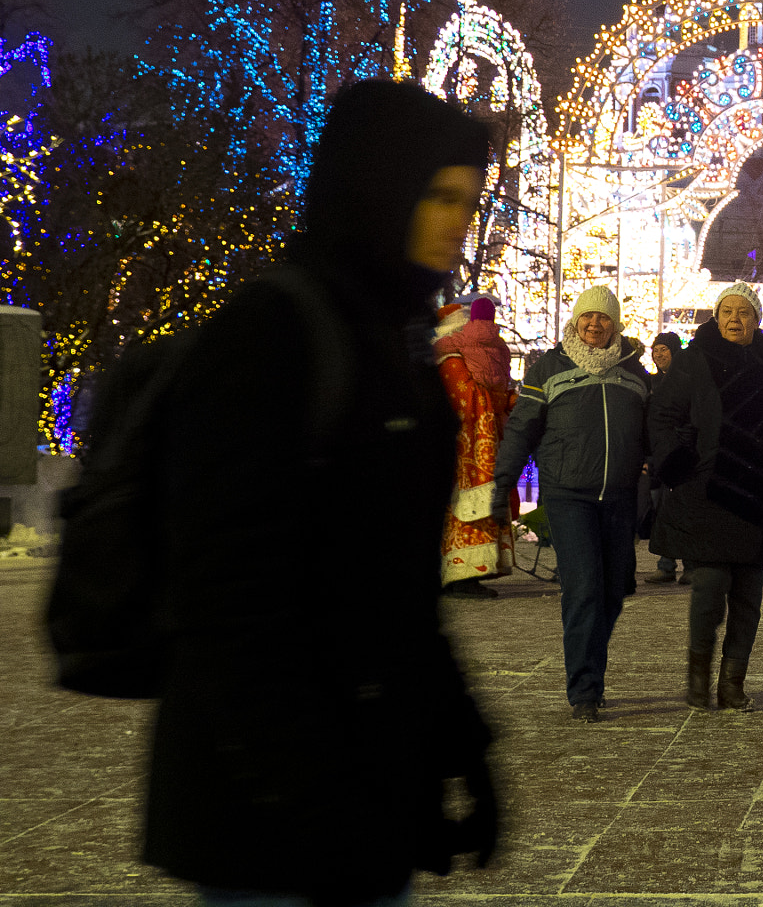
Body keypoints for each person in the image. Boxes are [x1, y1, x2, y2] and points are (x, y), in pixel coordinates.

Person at [144, 79, 499, 903]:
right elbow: (225, 599)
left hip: (360, 795)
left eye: (469, 199)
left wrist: (459, 744)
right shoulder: (274, 332)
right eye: (440, 196)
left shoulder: (392, 337)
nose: (460, 221)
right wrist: (303, 792)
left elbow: (395, 589)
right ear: (381, 190)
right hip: (269, 823)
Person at [646, 284, 763, 711]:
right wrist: (676, 460)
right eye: (727, 312)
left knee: (747, 597)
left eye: (744, 312)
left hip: (760, 496)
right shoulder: (694, 360)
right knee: (709, 587)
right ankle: (698, 676)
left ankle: (732, 682)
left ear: (757, 320)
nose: (734, 319)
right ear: (716, 317)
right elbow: (663, 414)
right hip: (708, 492)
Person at [492, 284, 652, 721]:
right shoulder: (548, 368)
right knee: (583, 588)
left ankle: (589, 666)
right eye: (588, 317)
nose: (595, 324)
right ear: (575, 321)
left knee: (616, 589)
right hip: (568, 494)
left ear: (615, 324)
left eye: (603, 318)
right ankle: (585, 689)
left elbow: (653, 431)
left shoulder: (634, 372)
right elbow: (522, 427)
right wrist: (501, 480)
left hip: (619, 496)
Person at [434, 295, 516, 597]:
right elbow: (469, 399)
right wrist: (501, 401)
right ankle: (462, 574)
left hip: (465, 447)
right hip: (469, 451)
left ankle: (461, 573)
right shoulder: (451, 362)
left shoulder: (451, 356)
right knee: (466, 507)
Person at [641, 331, 686, 583]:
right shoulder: (651, 383)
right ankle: (667, 563)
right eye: (655, 350)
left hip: (682, 453)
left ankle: (687, 564)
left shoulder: (687, 380)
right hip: (659, 455)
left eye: (664, 349)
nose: (658, 355)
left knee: (683, 508)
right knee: (662, 510)